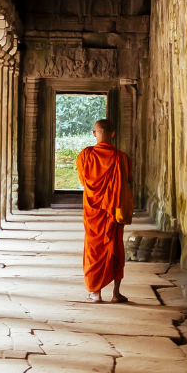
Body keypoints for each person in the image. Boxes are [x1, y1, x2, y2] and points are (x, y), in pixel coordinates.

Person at [76, 118, 131, 303]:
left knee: (94, 250)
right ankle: (116, 294)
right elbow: (127, 179)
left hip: (93, 213)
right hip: (112, 213)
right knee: (115, 249)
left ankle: (96, 293)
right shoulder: (121, 157)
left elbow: (84, 181)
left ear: (94, 133)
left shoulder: (85, 156)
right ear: (113, 134)